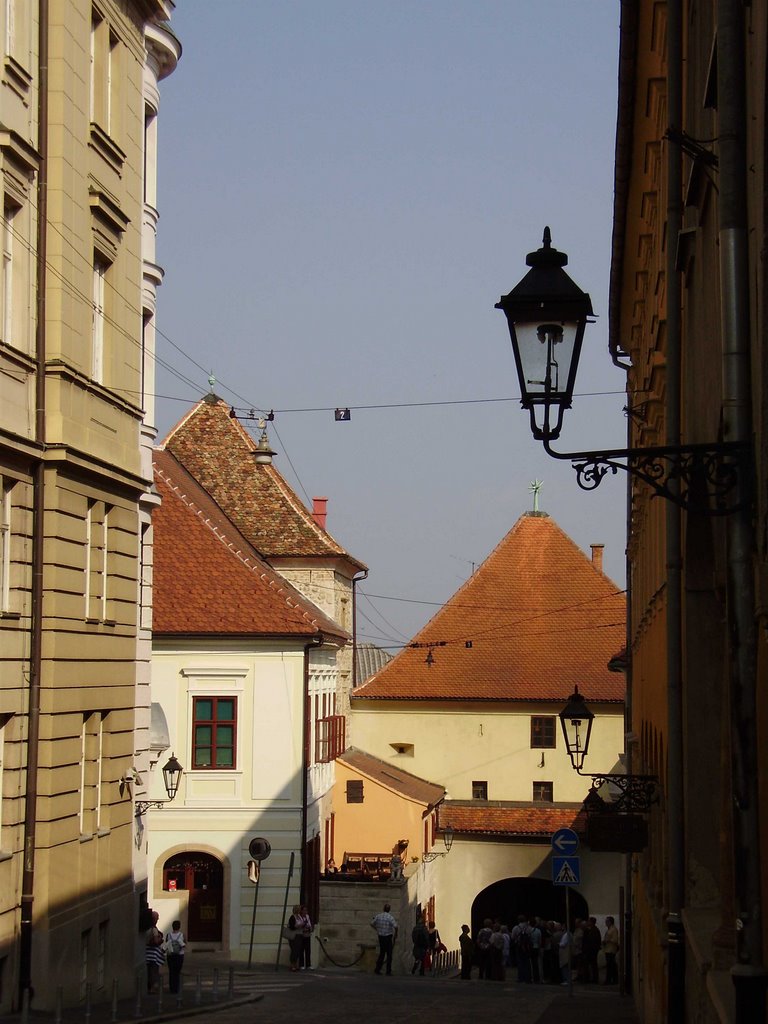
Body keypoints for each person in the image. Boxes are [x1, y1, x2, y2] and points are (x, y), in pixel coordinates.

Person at [371, 902, 398, 975]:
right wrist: (396, 934)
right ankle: (388, 971)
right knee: (389, 954)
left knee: (382, 953)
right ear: (389, 910)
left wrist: (377, 929)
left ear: (383, 909)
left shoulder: (378, 916)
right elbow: (395, 926)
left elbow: (372, 923)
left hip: (381, 936)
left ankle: (377, 969)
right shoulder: (390, 917)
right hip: (388, 937)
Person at [145, 911, 165, 994]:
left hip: (146, 953)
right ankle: (152, 988)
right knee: (153, 971)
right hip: (153, 955)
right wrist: (161, 940)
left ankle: (149, 987)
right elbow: (156, 942)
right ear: (154, 919)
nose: (158, 919)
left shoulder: (147, 928)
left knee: (148, 971)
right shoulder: (154, 929)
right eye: (157, 918)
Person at [164, 920, 186, 994]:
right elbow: (184, 944)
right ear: (179, 927)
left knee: (171, 972)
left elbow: (166, 943)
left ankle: (172, 988)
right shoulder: (182, 935)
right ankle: (177, 988)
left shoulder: (168, 935)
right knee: (177, 972)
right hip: (179, 955)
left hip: (170, 955)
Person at [582, 916, 602, 983]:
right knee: (588, 965)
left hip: (592, 951)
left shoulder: (595, 930)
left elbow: (594, 941)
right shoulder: (588, 930)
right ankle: (588, 978)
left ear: (591, 922)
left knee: (593, 965)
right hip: (589, 950)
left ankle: (594, 979)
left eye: (589, 921)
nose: (588, 922)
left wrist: (593, 949)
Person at [603, 916, 619, 985]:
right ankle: (612, 980)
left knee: (611, 966)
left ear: (610, 922)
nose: (606, 923)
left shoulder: (614, 929)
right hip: (607, 949)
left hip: (611, 949)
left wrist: (608, 940)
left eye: (607, 921)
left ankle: (610, 980)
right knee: (610, 965)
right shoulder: (609, 929)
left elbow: (615, 940)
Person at [287, 904, 303, 972]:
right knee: (294, 950)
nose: (300, 910)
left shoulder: (299, 916)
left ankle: (295, 964)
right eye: (299, 909)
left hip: (299, 935)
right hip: (293, 935)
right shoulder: (292, 917)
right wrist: (297, 926)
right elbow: (291, 926)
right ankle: (292, 964)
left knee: (298, 950)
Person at [297, 905, 314, 970]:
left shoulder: (307, 916)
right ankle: (301, 965)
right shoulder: (299, 917)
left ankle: (308, 965)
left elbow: (309, 925)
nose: (305, 912)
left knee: (308, 950)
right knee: (301, 950)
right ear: (301, 911)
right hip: (301, 935)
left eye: (306, 910)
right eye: (304, 910)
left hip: (307, 935)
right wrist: (304, 928)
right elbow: (299, 926)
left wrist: (309, 928)